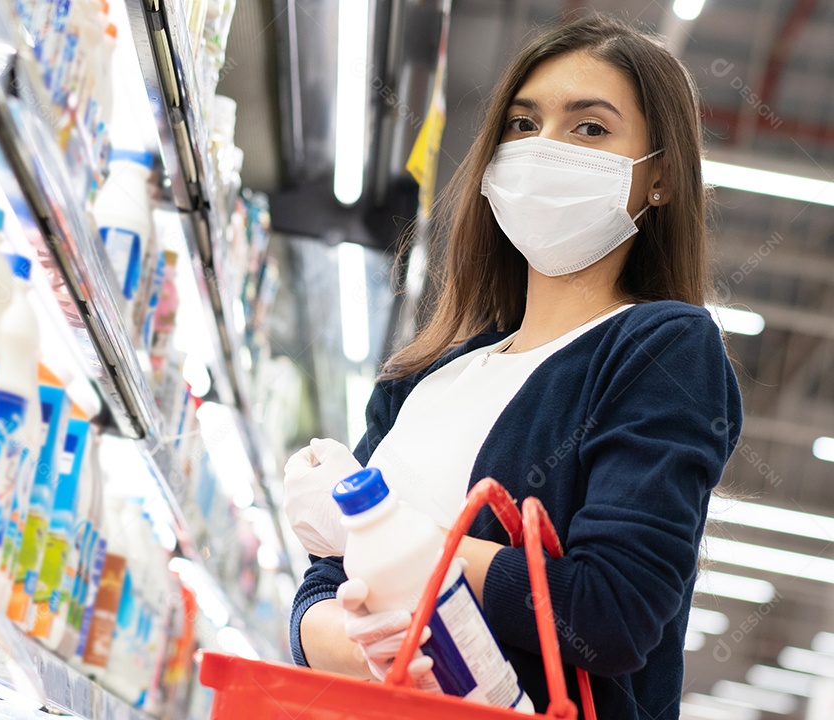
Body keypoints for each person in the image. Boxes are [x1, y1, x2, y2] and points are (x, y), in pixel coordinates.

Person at [283, 13, 743, 720]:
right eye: (523, 125)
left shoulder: (661, 347)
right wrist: (367, 643)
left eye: (590, 128)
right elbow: (317, 596)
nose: (544, 149)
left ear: (660, 180)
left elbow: (607, 613)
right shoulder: (425, 376)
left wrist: (387, 532)